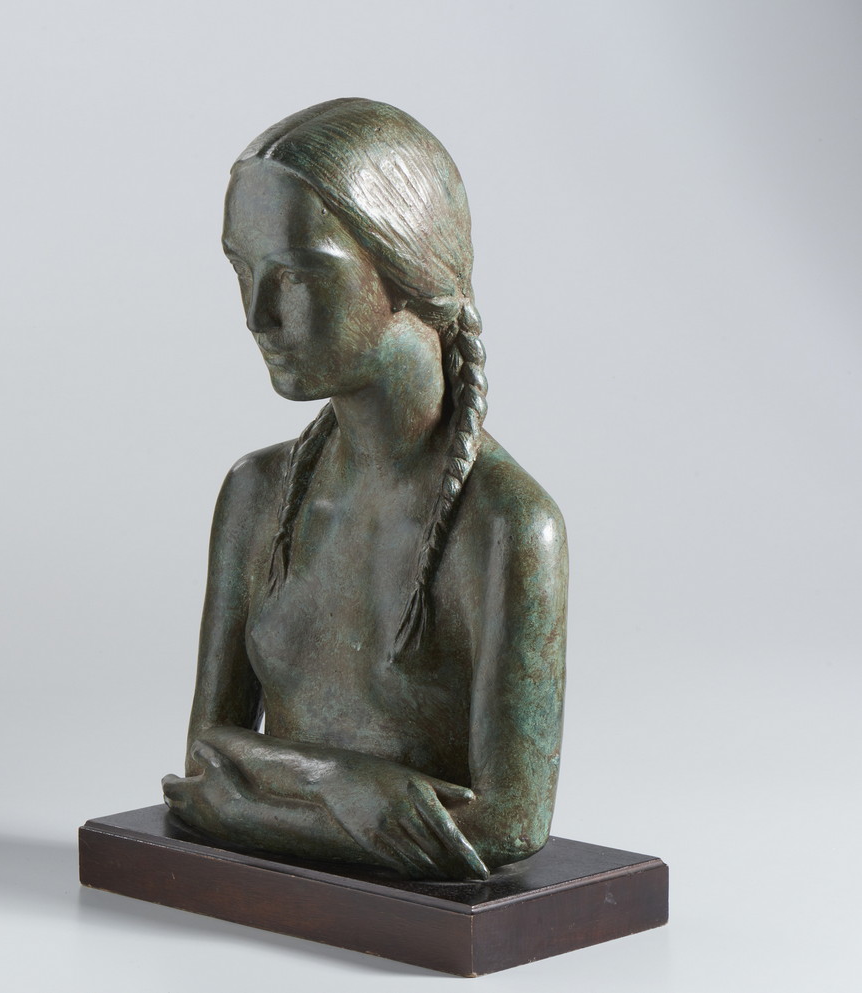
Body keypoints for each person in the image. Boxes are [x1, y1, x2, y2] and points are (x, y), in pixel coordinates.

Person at [162, 99, 567, 881]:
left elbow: (509, 824)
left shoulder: (508, 526)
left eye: (296, 274)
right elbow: (204, 760)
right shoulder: (255, 493)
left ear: (410, 273)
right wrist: (347, 786)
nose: (256, 315)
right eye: (242, 270)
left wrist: (252, 804)